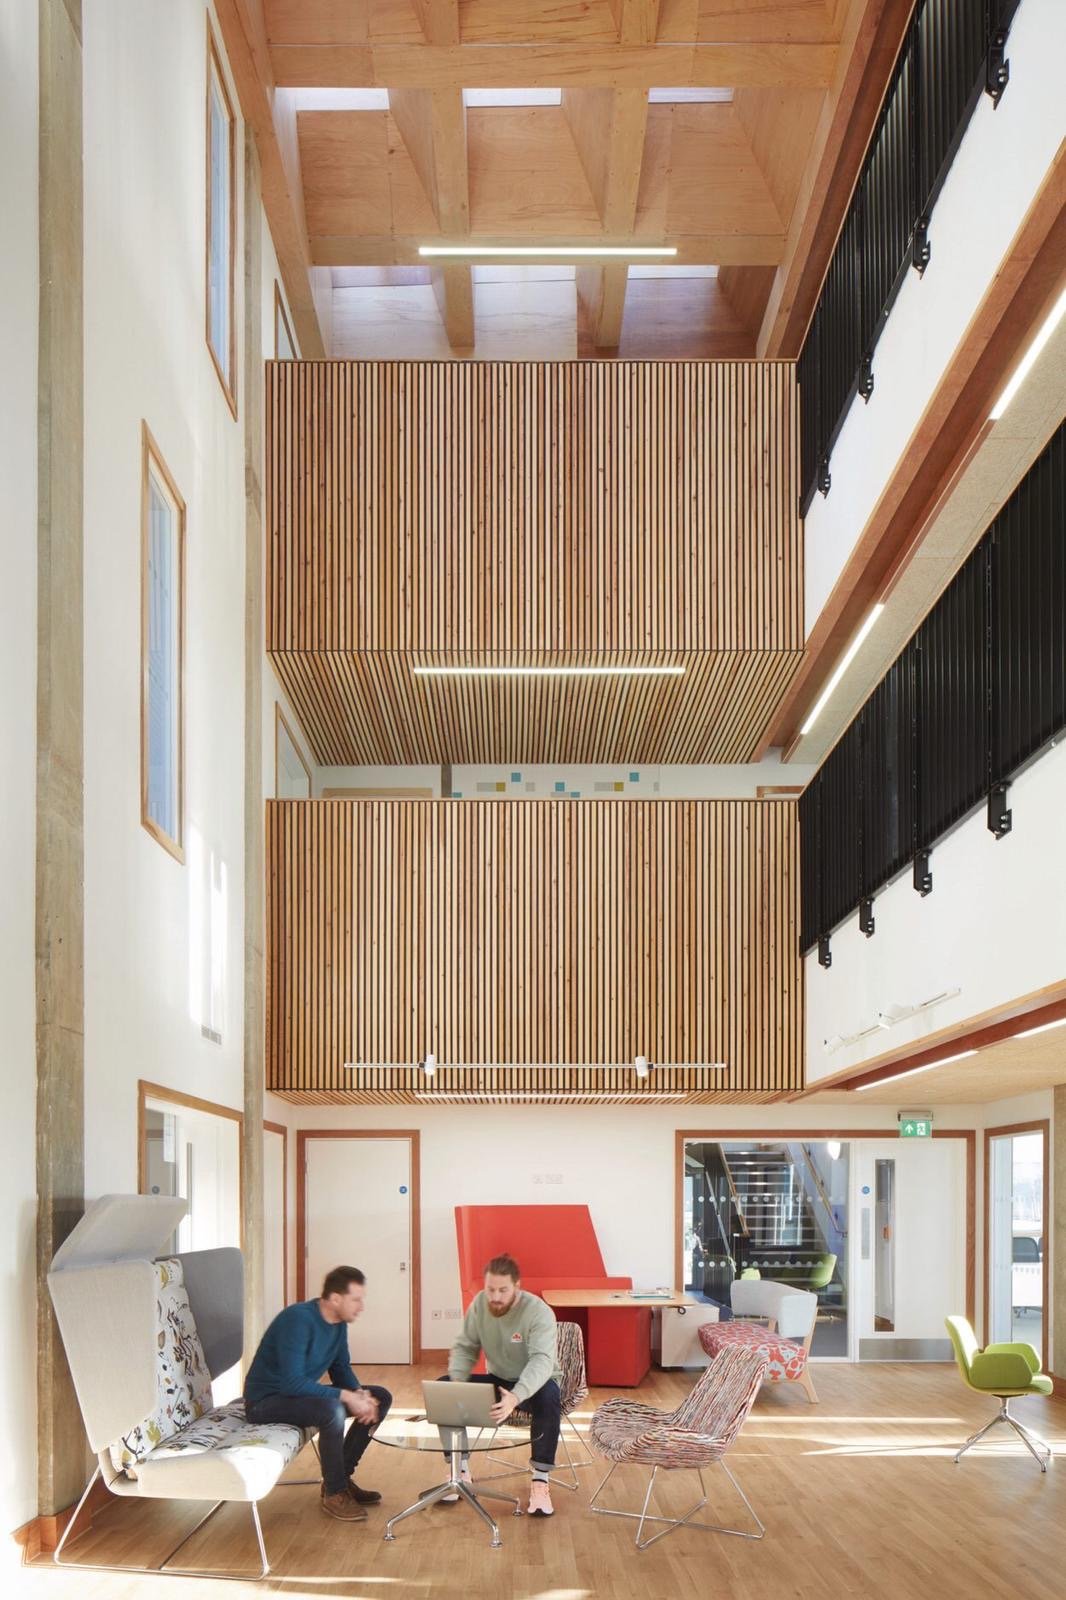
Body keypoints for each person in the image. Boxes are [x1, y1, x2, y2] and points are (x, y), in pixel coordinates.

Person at [244, 1265, 392, 1522]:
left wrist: (360, 1394)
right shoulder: (297, 1320)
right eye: (356, 1299)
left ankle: (341, 1478)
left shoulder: (338, 1324)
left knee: (380, 1396)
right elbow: (292, 1383)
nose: (361, 1306)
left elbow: (341, 1369)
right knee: (332, 1409)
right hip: (265, 1401)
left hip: (292, 1396)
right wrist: (346, 1397)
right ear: (335, 1299)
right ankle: (334, 1493)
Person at [444, 1253, 562, 1518]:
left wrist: (516, 1396)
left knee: (549, 1397)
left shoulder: (538, 1311)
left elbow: (542, 1361)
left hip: (536, 1383)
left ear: (517, 1288)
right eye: (490, 1289)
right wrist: (458, 1381)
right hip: (498, 1380)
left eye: (503, 1290)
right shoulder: (479, 1306)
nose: (495, 1297)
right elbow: (465, 1347)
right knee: (444, 1389)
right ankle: (459, 1471)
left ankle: (540, 1481)